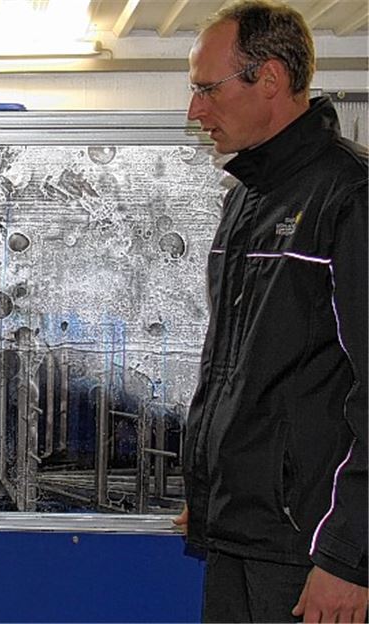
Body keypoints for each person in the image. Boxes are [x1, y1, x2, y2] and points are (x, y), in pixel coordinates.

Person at [173, 1, 367, 622]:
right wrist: (214, 495)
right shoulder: (247, 201)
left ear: (272, 80)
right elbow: (245, 368)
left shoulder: (350, 196)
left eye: (207, 88)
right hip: (241, 536)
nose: (194, 111)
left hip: (311, 554)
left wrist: (349, 557)